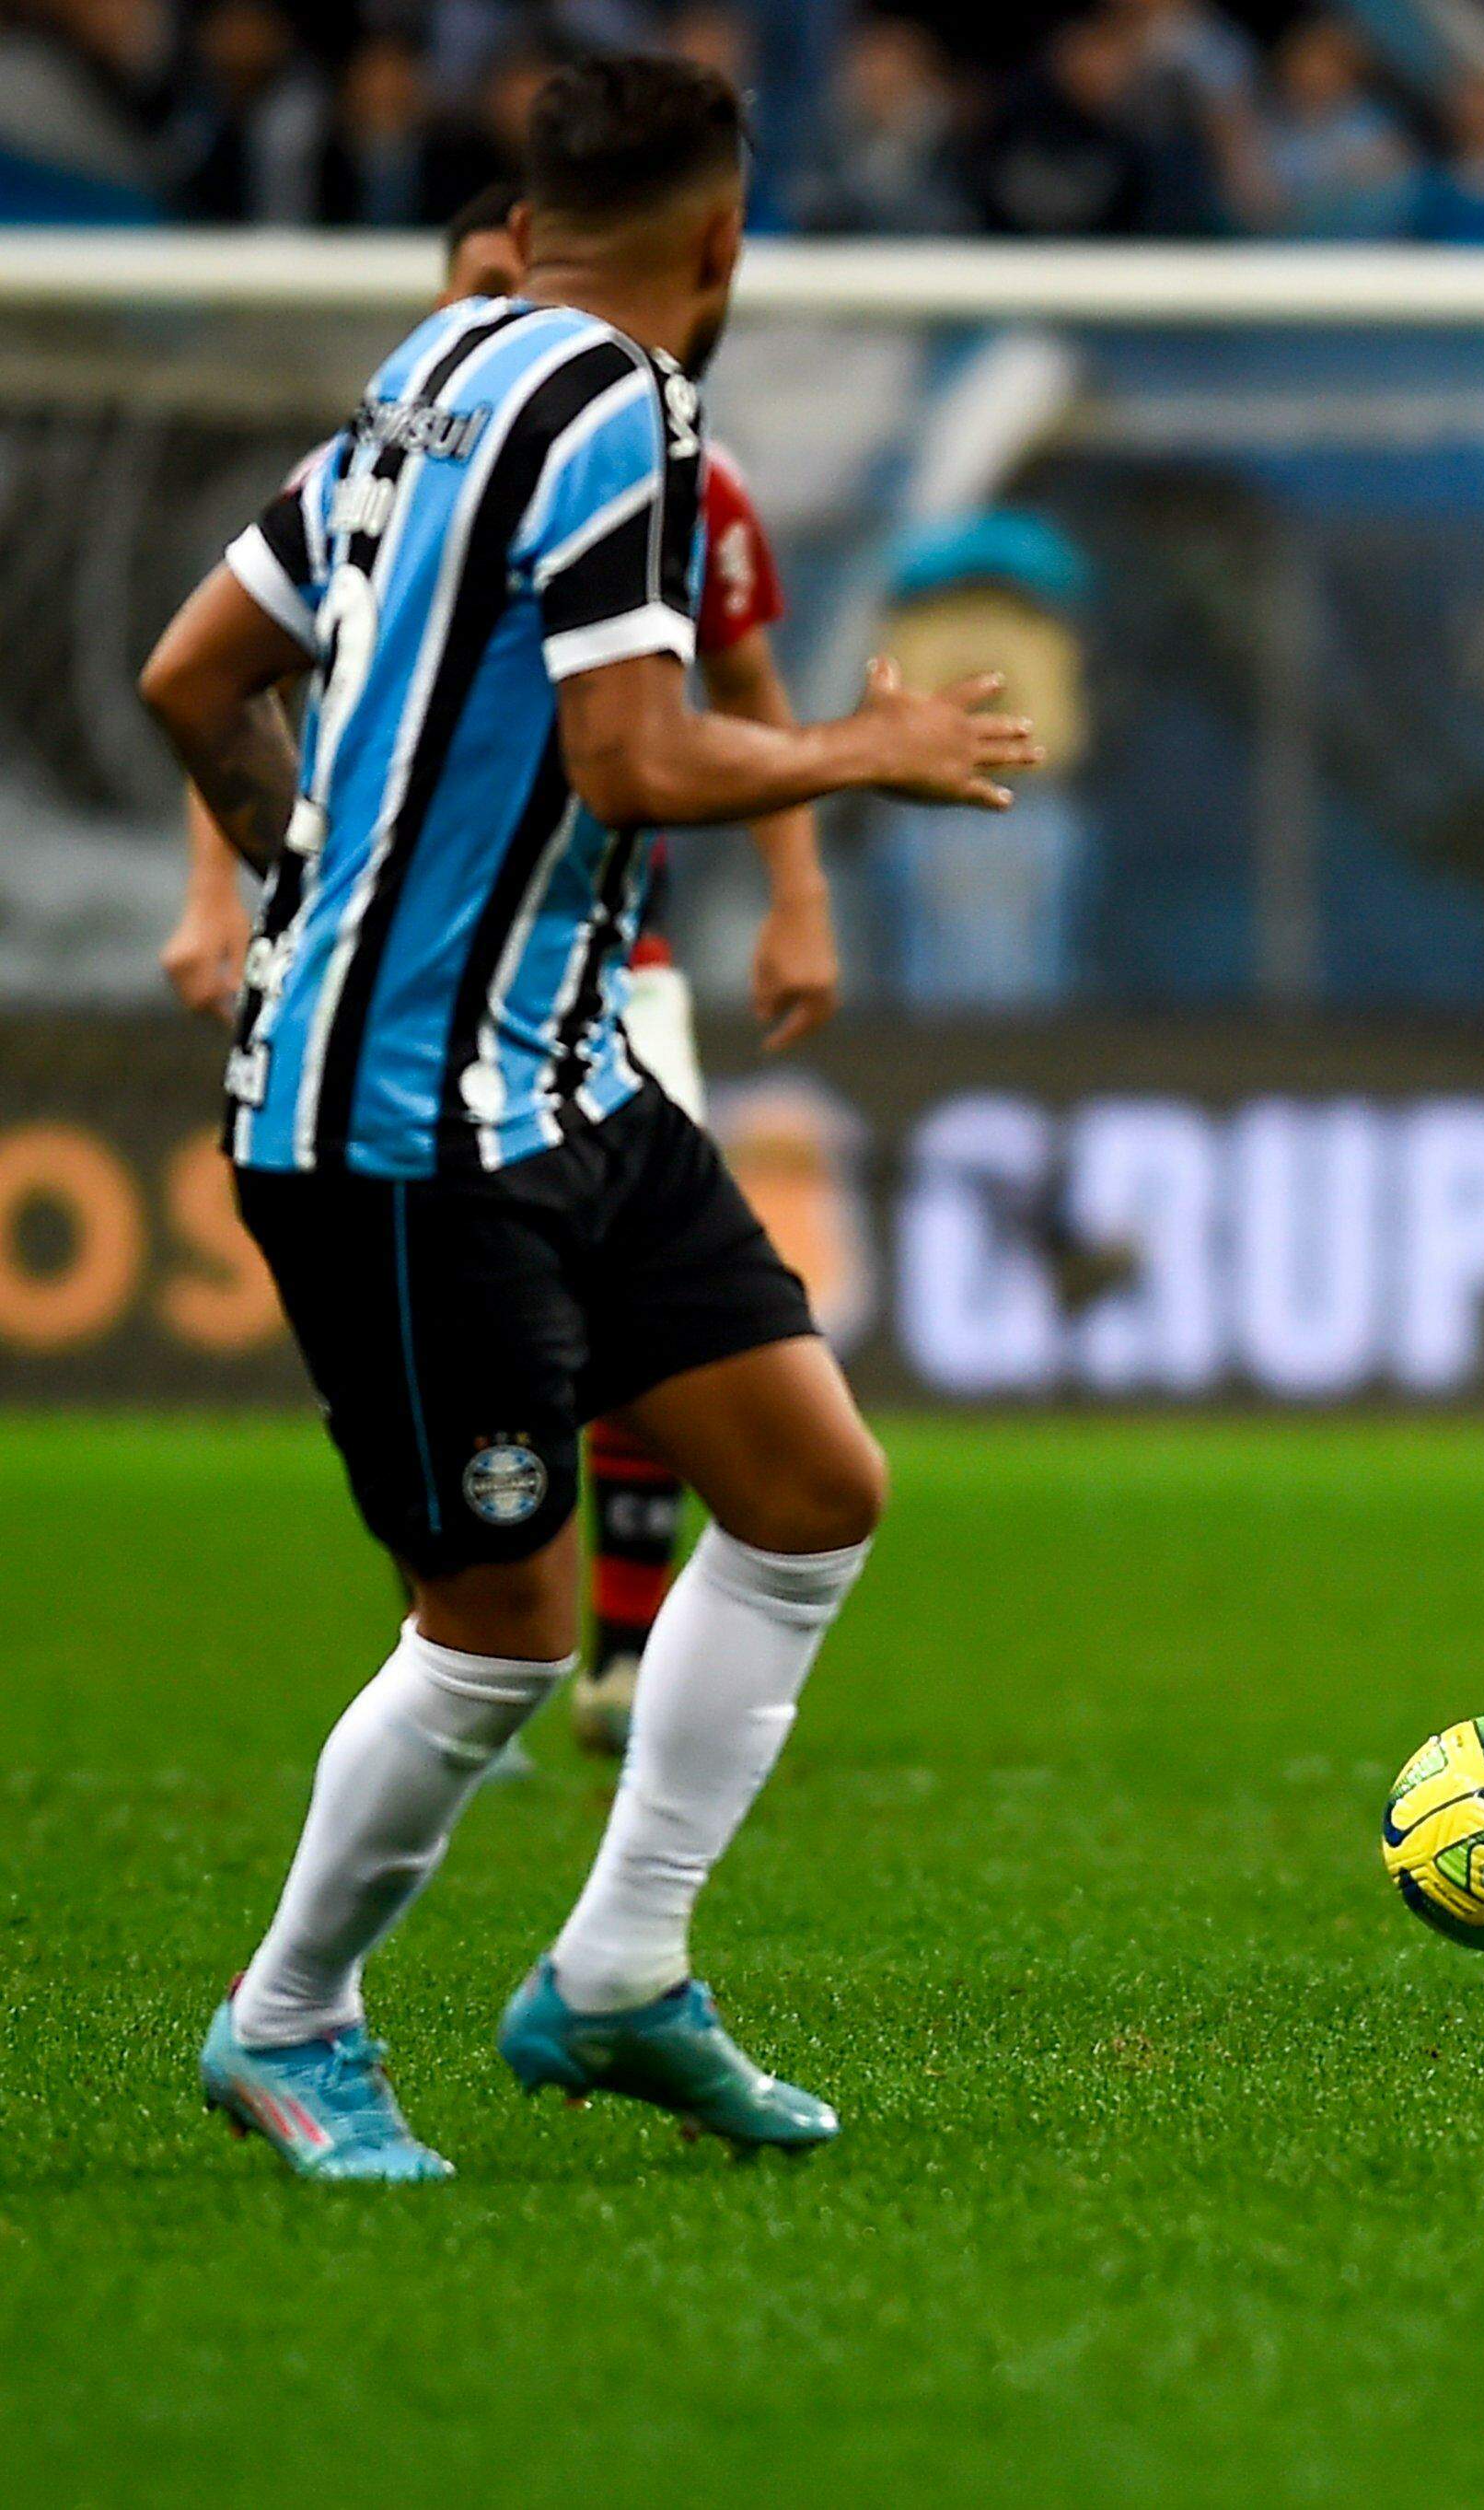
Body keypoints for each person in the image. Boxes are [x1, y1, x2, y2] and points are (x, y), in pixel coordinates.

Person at [136, 54, 1036, 2182]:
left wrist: (299, 891)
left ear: (529, 220)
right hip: (399, 1124)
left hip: (565, 1074)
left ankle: (620, 1976)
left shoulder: (427, 365)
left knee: (809, 1483)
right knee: (501, 1633)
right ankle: (286, 2026)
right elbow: (634, 760)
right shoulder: (622, 414)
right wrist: (853, 750)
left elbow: (193, 672)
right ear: (723, 248)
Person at [161, 179, 843, 1763]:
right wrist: (243, 891)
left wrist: (800, 889)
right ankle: (482, 1628)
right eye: (485, 282)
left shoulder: (680, 474)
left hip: (612, 979)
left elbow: (739, 677)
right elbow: (236, 683)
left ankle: (610, 1645)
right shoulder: (392, 460)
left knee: (673, 1337)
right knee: (493, 1375)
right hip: (405, 1021)